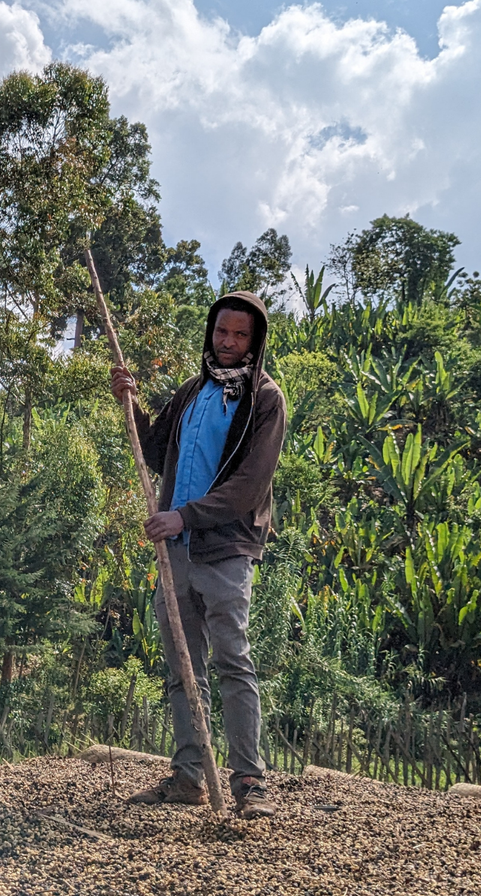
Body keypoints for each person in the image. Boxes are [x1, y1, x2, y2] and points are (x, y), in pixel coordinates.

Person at [110, 291, 286, 818]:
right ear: (210, 333)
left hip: (224, 549)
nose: (228, 343)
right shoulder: (193, 391)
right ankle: (188, 777)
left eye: (239, 336)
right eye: (221, 333)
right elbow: (157, 448)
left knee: (233, 661)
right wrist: (129, 402)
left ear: (255, 342)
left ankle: (248, 783)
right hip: (177, 552)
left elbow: (250, 487)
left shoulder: (264, 399)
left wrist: (183, 516)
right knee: (182, 668)